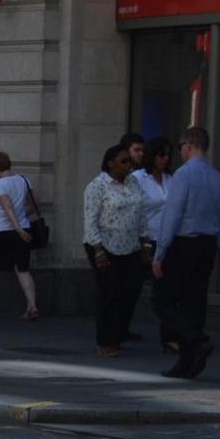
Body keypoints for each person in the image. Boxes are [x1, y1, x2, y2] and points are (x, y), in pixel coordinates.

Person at [150, 125, 220, 377]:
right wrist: (217, 244)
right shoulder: (218, 177)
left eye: (182, 147)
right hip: (207, 244)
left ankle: (196, 339)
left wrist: (160, 252)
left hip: (184, 243)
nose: (180, 152)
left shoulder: (183, 176)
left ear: (189, 145)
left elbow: (172, 215)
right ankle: (188, 362)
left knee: (162, 299)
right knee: (195, 303)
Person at [82, 142, 148, 358]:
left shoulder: (133, 183)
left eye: (129, 161)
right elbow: (90, 220)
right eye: (123, 162)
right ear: (110, 163)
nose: (127, 166)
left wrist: (145, 243)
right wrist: (98, 250)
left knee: (130, 290)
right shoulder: (97, 186)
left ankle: (119, 333)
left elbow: (142, 212)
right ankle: (105, 340)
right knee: (109, 293)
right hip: (104, 245)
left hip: (130, 245)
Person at [0, 152, 40, 320]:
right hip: (24, 227)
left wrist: (16, 228)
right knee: (23, 269)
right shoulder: (23, 180)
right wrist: (22, 225)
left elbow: (7, 208)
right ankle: (32, 304)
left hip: (3, 230)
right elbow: (31, 206)